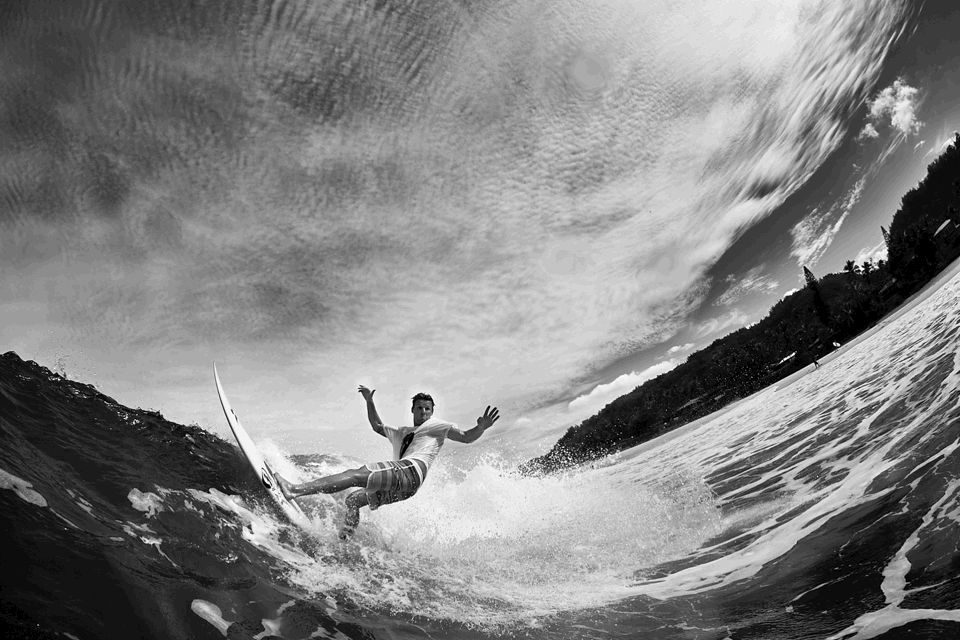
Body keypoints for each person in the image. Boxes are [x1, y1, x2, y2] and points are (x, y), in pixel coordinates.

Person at [274, 385, 499, 539]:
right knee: (353, 500)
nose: (423, 411)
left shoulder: (437, 426)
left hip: (410, 471)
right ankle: (344, 540)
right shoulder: (401, 432)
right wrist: (370, 402)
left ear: (432, 412)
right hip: (408, 488)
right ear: (412, 409)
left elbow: (467, 437)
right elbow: (377, 426)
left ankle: (294, 489)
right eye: (419, 407)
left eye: (427, 408)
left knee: (357, 474)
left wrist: (480, 428)